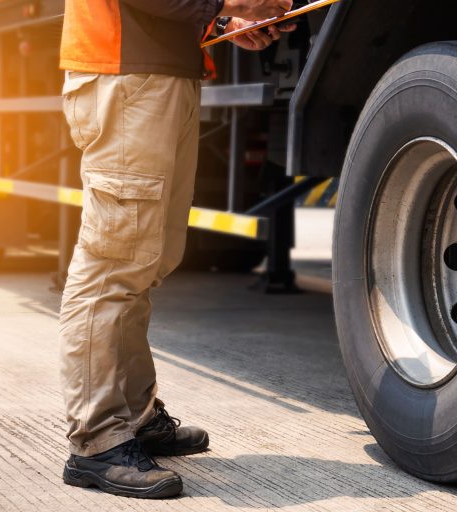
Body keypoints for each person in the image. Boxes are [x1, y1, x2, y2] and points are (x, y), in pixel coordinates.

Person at [56, 0, 295, 499]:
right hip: (126, 78)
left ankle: (135, 417)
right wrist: (231, 3)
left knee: (146, 261)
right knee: (113, 265)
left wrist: (222, 21)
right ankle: (96, 440)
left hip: (158, 77)